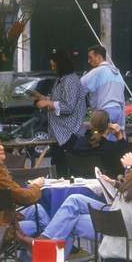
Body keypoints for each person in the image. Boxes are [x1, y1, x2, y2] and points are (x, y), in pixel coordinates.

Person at [34, 136, 132, 254]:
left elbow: (131, 195)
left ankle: (47, 253)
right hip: (118, 211)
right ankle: (47, 243)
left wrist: (130, 169)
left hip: (124, 221)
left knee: (69, 220)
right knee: (73, 201)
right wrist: (115, 184)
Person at [34, 47, 87, 179]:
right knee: (57, 168)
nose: (52, 68)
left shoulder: (70, 80)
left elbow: (68, 106)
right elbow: (56, 100)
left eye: (54, 65)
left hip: (69, 132)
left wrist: (46, 103)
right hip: (61, 134)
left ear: (61, 64)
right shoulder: (62, 79)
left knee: (64, 170)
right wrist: (40, 97)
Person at [67, 109, 131, 178]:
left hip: (81, 182)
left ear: (91, 125)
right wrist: (119, 137)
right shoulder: (112, 147)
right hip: (106, 182)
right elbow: (131, 159)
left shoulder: (79, 143)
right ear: (108, 125)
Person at [80, 45, 127, 129]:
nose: (88, 61)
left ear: (98, 57)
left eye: (90, 58)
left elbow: (79, 86)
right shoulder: (118, 74)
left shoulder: (97, 71)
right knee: (116, 137)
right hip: (119, 112)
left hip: (105, 112)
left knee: (103, 137)